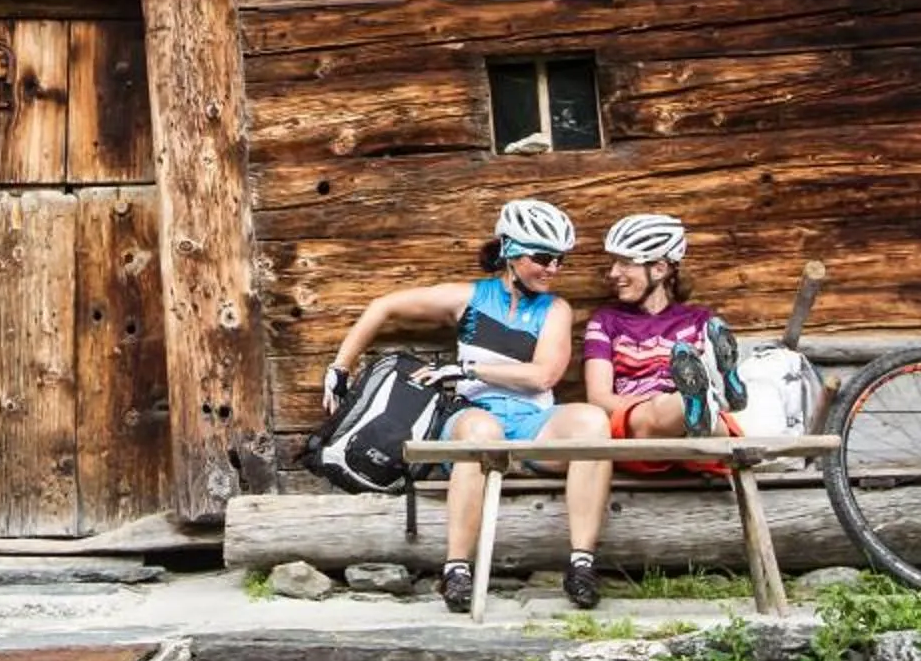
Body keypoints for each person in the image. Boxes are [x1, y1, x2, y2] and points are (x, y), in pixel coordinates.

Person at [320, 198, 607, 613]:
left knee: (593, 422)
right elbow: (383, 307)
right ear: (509, 250)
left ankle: (581, 565)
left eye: (560, 259)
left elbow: (544, 375)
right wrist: (339, 367)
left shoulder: (555, 309)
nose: (553, 268)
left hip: (532, 422)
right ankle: (456, 570)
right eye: (543, 258)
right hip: (473, 417)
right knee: (482, 432)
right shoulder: (470, 297)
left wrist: (467, 369)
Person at [554, 211, 749, 604]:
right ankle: (699, 400)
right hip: (637, 431)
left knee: (707, 423)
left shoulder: (700, 320)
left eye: (625, 264)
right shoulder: (606, 322)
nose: (614, 273)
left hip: (695, 446)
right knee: (663, 411)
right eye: (614, 264)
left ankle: (704, 401)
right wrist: (652, 404)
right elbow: (599, 398)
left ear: (659, 269)